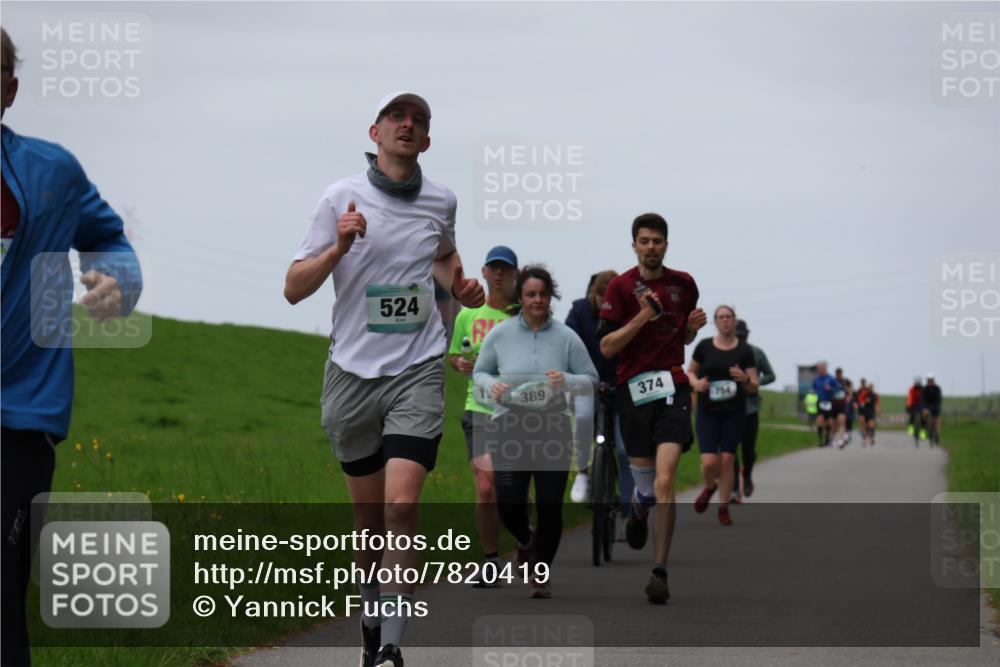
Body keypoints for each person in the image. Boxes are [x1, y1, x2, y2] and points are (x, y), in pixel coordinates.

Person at [284, 91, 485, 667]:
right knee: (368, 520)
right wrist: (340, 244)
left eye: (419, 121)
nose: (408, 124)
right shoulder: (338, 196)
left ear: (425, 142)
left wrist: (461, 287)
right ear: (375, 131)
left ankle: (394, 643)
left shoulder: (441, 200)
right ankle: (370, 614)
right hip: (350, 373)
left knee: (401, 507)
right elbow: (294, 287)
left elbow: (444, 258)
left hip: (417, 369)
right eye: (398, 116)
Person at [1, 27, 143, 667]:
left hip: (20, 414)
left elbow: (110, 239)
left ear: (10, 89)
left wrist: (120, 281)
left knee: (3, 599)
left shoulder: (49, 170)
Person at [598, 213, 707, 603]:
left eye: (657, 241)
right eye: (644, 241)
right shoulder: (621, 287)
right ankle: (638, 508)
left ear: (666, 244)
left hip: (674, 387)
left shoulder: (684, 284)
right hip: (634, 391)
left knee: (665, 482)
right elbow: (607, 347)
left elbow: (685, 335)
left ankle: (659, 570)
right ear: (634, 245)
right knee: (645, 488)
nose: (651, 247)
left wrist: (693, 328)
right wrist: (644, 315)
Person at [473, 265, 598, 599]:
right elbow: (479, 373)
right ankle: (526, 539)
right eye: (531, 294)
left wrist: (568, 381)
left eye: (543, 294)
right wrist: (491, 385)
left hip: (552, 425)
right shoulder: (500, 333)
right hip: (510, 424)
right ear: (521, 297)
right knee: (509, 503)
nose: (538, 300)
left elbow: (591, 380)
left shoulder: (566, 337)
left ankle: (541, 572)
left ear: (550, 296)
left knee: (549, 505)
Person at [447, 245, 519, 586]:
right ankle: (490, 561)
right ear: (485, 273)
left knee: (517, 489)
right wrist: (459, 363)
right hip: (477, 410)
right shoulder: (467, 315)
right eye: (494, 268)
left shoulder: (522, 317)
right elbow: (454, 354)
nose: (500, 274)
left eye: (506, 269)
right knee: (487, 486)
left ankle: (523, 539)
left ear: (515, 275)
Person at [565, 270, 632, 507]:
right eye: (601, 298)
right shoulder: (579, 311)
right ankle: (583, 473)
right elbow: (568, 341)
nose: (605, 305)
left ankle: (627, 511)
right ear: (593, 294)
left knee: (624, 451)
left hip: (620, 386)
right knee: (583, 417)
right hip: (586, 383)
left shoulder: (627, 314)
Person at [687, 306, 758, 524]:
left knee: (727, 460)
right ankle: (710, 487)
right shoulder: (704, 346)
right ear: (715, 322)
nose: (725, 321)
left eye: (729, 317)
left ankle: (724, 506)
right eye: (721, 317)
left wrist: (745, 379)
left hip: (734, 413)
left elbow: (754, 386)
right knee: (709, 462)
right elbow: (690, 371)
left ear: (735, 322)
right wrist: (696, 383)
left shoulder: (745, 351)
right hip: (707, 412)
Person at [732, 319, 774, 498]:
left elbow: (771, 375)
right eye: (737, 336)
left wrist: (755, 382)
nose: (740, 339)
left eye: (743, 336)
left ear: (747, 336)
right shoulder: (724, 352)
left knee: (748, 450)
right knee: (729, 450)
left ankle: (747, 476)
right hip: (728, 406)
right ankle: (734, 486)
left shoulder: (756, 353)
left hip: (750, 407)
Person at [811, 362, 843, 447]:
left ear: (824, 369)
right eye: (818, 370)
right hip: (820, 401)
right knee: (820, 419)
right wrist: (813, 391)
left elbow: (839, 387)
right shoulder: (817, 379)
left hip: (828, 402)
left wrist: (830, 388)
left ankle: (827, 438)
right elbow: (813, 387)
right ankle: (820, 441)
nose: (819, 371)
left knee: (829, 421)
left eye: (820, 369)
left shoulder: (830, 378)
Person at [922, 374, 943, 446]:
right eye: (928, 380)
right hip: (927, 406)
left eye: (931, 380)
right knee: (924, 414)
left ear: (934, 380)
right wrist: (924, 408)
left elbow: (939, 399)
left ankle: (937, 435)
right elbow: (923, 399)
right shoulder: (925, 389)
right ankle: (925, 427)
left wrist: (936, 406)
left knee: (937, 420)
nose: (930, 382)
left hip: (935, 405)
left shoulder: (937, 388)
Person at [906, 376, 926, 448]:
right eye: (916, 383)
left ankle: (922, 432)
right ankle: (911, 427)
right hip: (913, 405)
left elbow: (925, 398)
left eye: (918, 383)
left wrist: (925, 407)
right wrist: (908, 406)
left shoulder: (923, 389)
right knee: (912, 415)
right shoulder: (912, 389)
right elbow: (910, 398)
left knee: (924, 417)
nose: (917, 384)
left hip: (922, 405)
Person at [839, 379, 855, 449]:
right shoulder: (844, 390)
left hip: (850, 410)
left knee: (849, 423)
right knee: (844, 424)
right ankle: (844, 439)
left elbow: (852, 400)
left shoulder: (851, 391)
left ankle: (848, 436)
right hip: (845, 409)